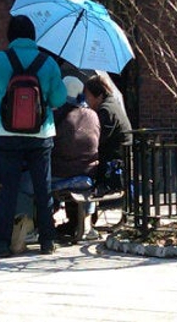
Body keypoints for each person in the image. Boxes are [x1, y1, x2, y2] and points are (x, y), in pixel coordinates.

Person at [0, 14, 66, 258]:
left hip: (6, 134)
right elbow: (59, 98)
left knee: (8, 188)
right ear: (33, 35)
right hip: (41, 134)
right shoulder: (47, 62)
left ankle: (1, 242)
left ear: (11, 35)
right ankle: (47, 239)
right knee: (43, 187)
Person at [51, 76, 101, 240]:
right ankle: (84, 225)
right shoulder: (93, 115)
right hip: (89, 172)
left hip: (62, 172)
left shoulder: (58, 116)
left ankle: (39, 225)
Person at [83, 75, 133, 193]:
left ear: (99, 95)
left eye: (88, 96)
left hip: (114, 160)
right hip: (119, 156)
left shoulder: (106, 111)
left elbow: (97, 139)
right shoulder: (111, 104)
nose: (86, 101)